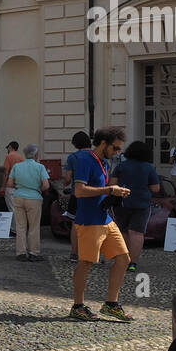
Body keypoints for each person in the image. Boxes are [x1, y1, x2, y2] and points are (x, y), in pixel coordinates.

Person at [69, 127, 133, 322]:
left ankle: (111, 304)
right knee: (86, 262)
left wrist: (115, 192)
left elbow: (102, 189)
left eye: (119, 149)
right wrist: (109, 190)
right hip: (89, 221)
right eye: (115, 148)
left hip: (104, 218)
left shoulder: (104, 162)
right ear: (103, 143)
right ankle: (78, 306)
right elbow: (79, 191)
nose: (117, 153)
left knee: (124, 259)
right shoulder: (84, 161)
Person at [110, 140, 160, 273]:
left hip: (122, 203)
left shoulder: (121, 166)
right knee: (137, 233)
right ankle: (133, 263)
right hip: (142, 204)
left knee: (123, 231)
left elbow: (112, 184)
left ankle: (123, 260)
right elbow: (155, 188)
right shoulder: (149, 167)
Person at [7, 144, 49, 261]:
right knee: (34, 227)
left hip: (18, 196)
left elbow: (10, 184)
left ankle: (21, 253)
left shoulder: (17, 166)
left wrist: (20, 187)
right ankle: (33, 253)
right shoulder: (40, 167)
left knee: (20, 226)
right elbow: (46, 185)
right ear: (36, 154)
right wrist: (37, 188)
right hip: (34, 198)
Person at [64, 131, 93, 261]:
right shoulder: (98, 156)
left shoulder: (73, 158)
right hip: (95, 194)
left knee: (76, 225)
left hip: (77, 194)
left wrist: (65, 183)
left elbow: (68, 179)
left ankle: (74, 254)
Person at [1, 141, 22, 220]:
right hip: (19, 186)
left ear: (11, 147)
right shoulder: (21, 157)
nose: (7, 149)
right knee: (19, 209)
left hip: (10, 186)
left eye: (8, 147)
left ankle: (14, 229)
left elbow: (6, 173)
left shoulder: (9, 156)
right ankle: (21, 227)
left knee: (12, 209)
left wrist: (3, 187)